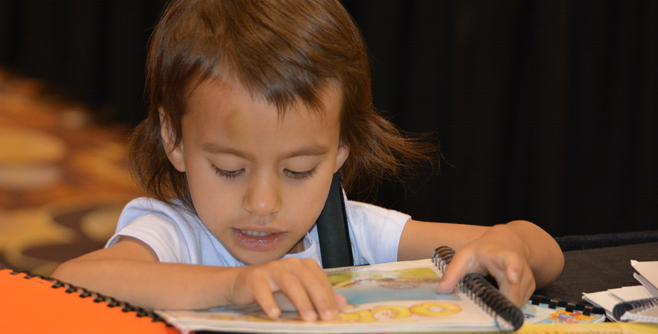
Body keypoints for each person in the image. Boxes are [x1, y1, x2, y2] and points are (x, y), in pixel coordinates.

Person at [51, 0, 564, 322]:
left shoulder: (345, 231)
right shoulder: (172, 233)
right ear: (174, 138)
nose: (262, 203)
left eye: (298, 171)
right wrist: (234, 285)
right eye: (230, 168)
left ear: (340, 148)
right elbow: (76, 279)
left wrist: (510, 243)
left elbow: (546, 251)